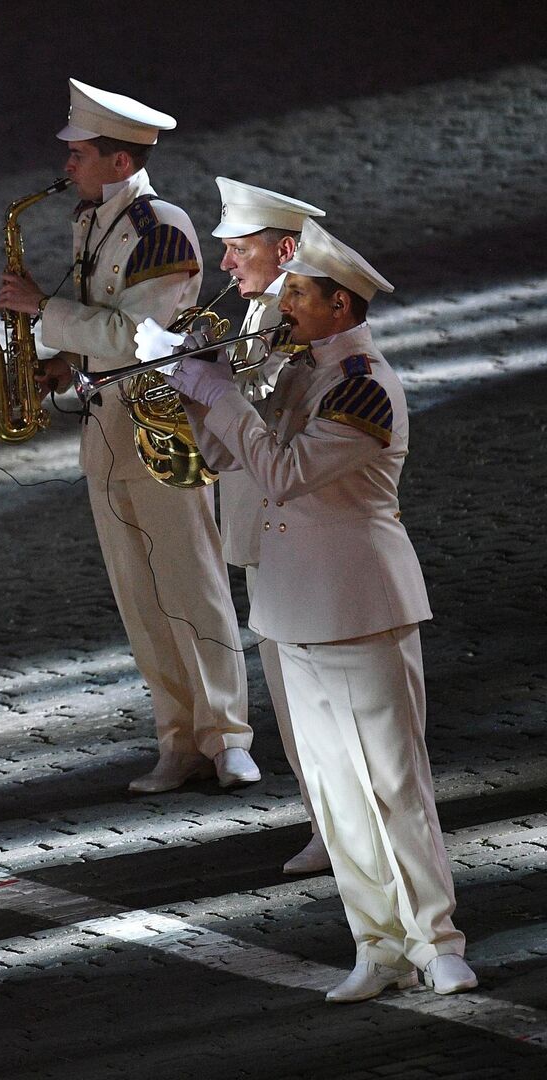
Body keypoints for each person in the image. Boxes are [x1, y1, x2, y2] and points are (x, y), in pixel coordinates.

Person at [163, 220, 475, 1003]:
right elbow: (230, 458)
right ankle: (376, 944)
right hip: (290, 606)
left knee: (397, 783)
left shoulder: (364, 385)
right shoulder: (298, 370)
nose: (283, 303)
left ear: (340, 305)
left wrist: (224, 396)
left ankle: (437, 940)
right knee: (336, 792)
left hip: (359, 602)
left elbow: (284, 470)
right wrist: (197, 399)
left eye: (298, 292)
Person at [0, 79, 257, 795]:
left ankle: (228, 735)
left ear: (118, 162)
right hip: (106, 427)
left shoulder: (160, 228)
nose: (68, 165)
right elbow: (100, 330)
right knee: (138, 595)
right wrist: (62, 362)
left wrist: (43, 309)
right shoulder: (91, 222)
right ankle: (178, 737)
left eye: (79, 154)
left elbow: (142, 340)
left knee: (192, 585)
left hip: (161, 428)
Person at [211, 177, 332, 874]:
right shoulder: (259, 315)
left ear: (283, 249)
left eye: (237, 249)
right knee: (290, 701)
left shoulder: (298, 323)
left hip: (298, 534)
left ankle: (341, 827)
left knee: (312, 695)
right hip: (261, 531)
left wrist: (215, 391)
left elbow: (269, 424)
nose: (224, 263)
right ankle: (326, 820)